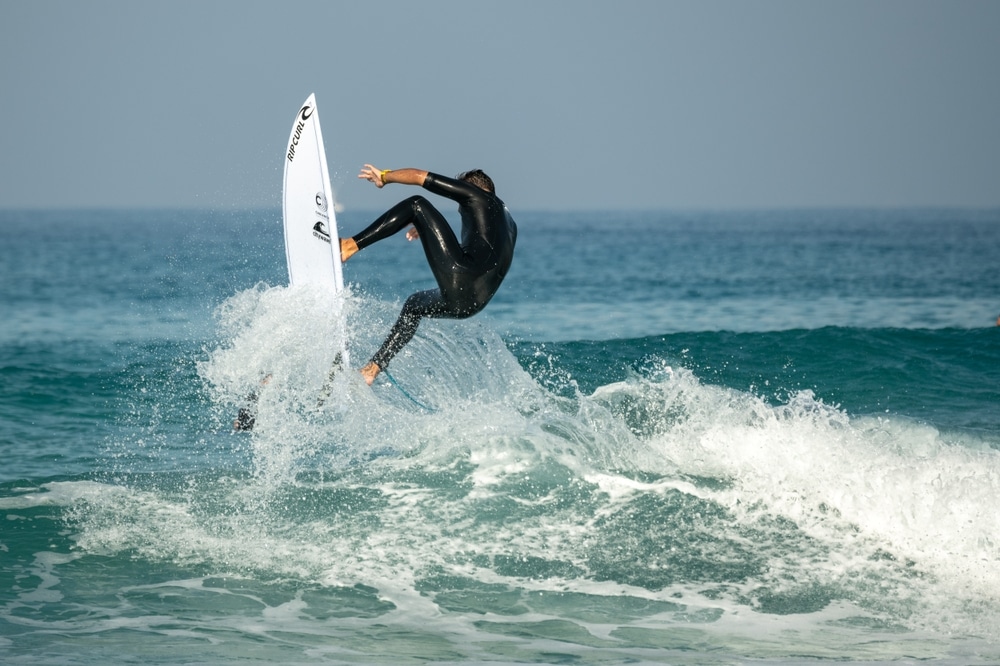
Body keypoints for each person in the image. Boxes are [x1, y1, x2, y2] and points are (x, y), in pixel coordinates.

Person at [341, 164, 517, 385]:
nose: (461, 210)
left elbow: (418, 176)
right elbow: (481, 254)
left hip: (462, 278)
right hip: (471, 304)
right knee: (414, 305)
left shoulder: (476, 195)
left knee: (416, 204)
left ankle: (349, 246)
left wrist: (385, 177)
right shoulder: (509, 224)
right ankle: (371, 370)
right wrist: (427, 229)